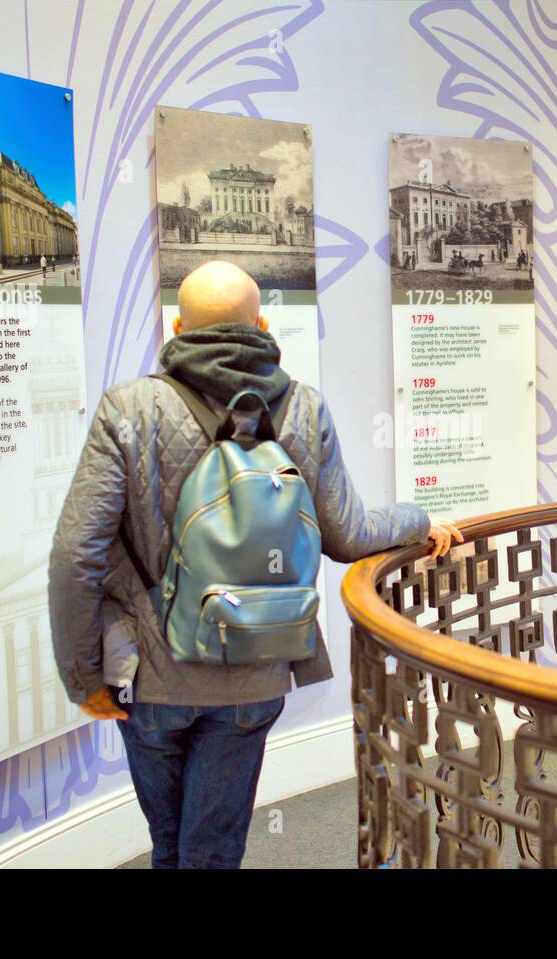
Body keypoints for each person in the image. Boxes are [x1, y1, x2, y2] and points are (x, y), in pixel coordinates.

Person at [48, 260, 461, 869]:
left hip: (148, 674)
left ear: (177, 326)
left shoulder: (128, 409)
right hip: (255, 665)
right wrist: (419, 522)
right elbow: (348, 533)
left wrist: (82, 677)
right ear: (262, 323)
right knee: (211, 852)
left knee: (168, 846)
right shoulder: (303, 408)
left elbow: (74, 556)